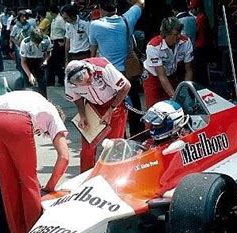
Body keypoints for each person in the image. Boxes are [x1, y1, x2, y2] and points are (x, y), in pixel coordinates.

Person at [0, 91, 70, 233]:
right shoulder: (53, 114)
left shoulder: (33, 100)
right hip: (17, 121)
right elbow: (64, 157)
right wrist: (50, 187)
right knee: (28, 180)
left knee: (7, 182)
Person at [89, 0, 144, 136]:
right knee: (134, 106)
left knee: (115, 109)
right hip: (127, 72)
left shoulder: (95, 25)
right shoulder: (127, 19)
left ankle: (120, 138)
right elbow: (141, 2)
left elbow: (93, 51)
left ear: (101, 9)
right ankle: (138, 137)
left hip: (107, 75)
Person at [65, 57, 131, 172]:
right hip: (92, 106)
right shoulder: (69, 83)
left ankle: (113, 175)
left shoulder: (103, 68)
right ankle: (85, 176)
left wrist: (111, 110)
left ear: (90, 71)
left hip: (114, 103)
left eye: (89, 80)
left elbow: (126, 86)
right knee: (87, 147)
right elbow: (76, 98)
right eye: (84, 84)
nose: (89, 84)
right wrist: (82, 115)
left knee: (114, 144)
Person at [142, 17, 193, 109]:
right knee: (154, 110)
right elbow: (162, 77)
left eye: (180, 33)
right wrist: (175, 98)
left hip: (171, 74)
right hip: (153, 77)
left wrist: (185, 90)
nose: (179, 36)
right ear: (165, 34)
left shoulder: (186, 42)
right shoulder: (153, 46)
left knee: (172, 109)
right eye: (176, 34)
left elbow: (189, 69)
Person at [20, 29, 53, 98]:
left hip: (40, 61)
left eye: (39, 42)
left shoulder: (46, 40)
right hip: (28, 62)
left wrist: (46, 60)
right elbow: (23, 62)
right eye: (36, 42)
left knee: (42, 84)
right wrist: (29, 75)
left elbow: (49, 53)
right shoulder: (25, 43)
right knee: (28, 86)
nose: (37, 44)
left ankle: (44, 102)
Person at [47, 4, 67, 86]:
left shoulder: (60, 19)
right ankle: (50, 81)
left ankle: (61, 81)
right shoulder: (54, 20)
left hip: (59, 41)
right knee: (51, 62)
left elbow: (67, 30)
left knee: (59, 62)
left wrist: (64, 42)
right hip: (53, 42)